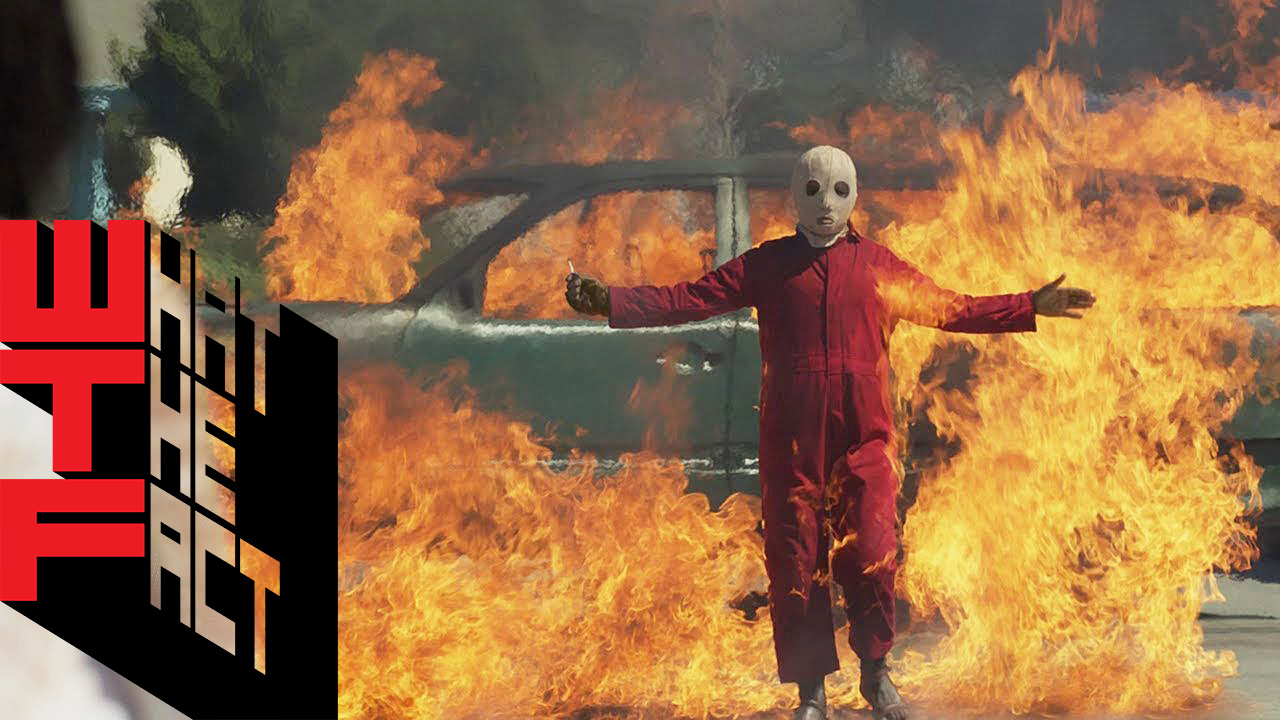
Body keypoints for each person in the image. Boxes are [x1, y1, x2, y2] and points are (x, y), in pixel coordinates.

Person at [565, 145, 1094, 720]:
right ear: (795, 196)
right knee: (795, 565)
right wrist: (611, 301)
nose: (826, 203)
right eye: (813, 190)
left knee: (874, 551)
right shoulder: (769, 266)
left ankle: (876, 672)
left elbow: (951, 308)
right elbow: (689, 299)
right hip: (791, 448)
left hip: (864, 443)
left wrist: (1028, 305)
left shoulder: (879, 267)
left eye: (840, 190)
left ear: (855, 195)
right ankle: (811, 693)